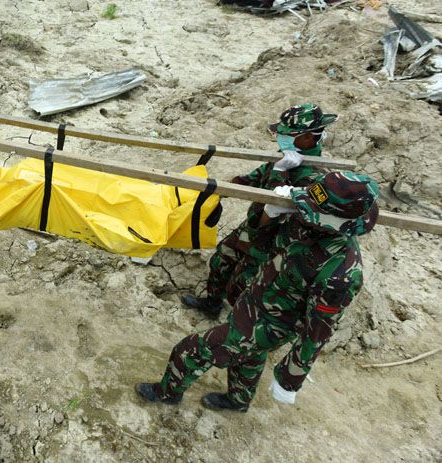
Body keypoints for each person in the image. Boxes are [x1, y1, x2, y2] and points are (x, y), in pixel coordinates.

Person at [136, 171, 379, 412]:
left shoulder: (340, 272)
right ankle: (237, 401)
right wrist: (268, 213)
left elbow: (317, 333)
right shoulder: (307, 221)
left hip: (271, 326)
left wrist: (290, 379)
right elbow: (257, 241)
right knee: (249, 359)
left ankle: (167, 393)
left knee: (190, 350)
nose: (306, 213)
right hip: (254, 299)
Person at [182, 103, 337, 318]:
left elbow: (277, 200)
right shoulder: (287, 157)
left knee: (244, 283)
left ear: (308, 138)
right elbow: (253, 179)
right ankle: (212, 304)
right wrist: (217, 189)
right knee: (221, 259)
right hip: (254, 226)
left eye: (286, 134)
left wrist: (280, 172)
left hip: (272, 240)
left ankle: (237, 326)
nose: (280, 138)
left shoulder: (314, 177)